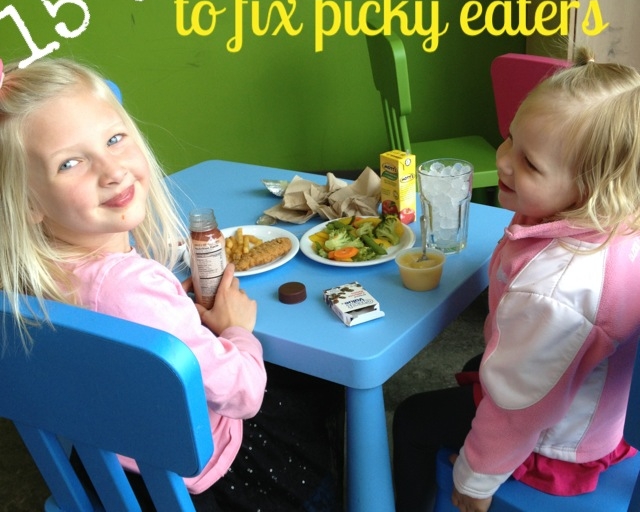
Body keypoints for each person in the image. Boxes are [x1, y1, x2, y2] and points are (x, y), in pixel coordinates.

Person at [0, 57, 343, 511]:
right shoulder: (128, 288)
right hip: (197, 475)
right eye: (70, 163)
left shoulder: (25, 276)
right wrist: (237, 329)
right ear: (27, 202)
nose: (112, 170)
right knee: (324, 392)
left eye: (114, 139)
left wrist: (166, 312)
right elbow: (243, 393)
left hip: (108, 466)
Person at [393, 49, 640, 512]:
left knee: (412, 416)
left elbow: (519, 411)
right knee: (479, 361)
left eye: (531, 164)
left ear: (590, 191)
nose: (504, 161)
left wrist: (475, 479)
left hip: (559, 439)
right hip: (593, 403)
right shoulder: (615, 217)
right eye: (510, 138)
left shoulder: (554, 292)